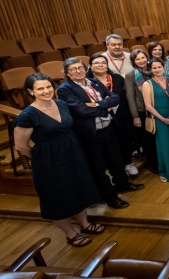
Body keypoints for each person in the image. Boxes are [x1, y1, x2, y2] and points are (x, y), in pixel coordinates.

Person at [15, 73, 103, 248]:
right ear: (30, 92)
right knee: (57, 197)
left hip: (73, 153)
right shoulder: (27, 115)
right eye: (40, 88)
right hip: (48, 161)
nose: (46, 91)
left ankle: (84, 224)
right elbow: (21, 145)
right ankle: (70, 233)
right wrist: (42, 159)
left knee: (80, 188)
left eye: (48, 87)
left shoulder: (61, 104)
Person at [57, 58, 141, 209]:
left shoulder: (93, 82)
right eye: (73, 69)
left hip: (108, 128)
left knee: (116, 160)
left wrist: (97, 104)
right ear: (67, 73)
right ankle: (110, 197)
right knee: (98, 167)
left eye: (80, 68)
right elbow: (81, 110)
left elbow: (115, 97)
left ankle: (122, 184)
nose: (78, 71)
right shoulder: (65, 89)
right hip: (90, 133)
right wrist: (105, 106)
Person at [143, 58, 169, 183]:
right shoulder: (148, 84)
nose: (157, 70)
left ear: (164, 68)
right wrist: (162, 119)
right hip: (160, 117)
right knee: (165, 145)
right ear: (150, 70)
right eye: (154, 68)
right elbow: (148, 106)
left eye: (159, 67)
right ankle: (165, 171)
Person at [123, 50, 156, 173]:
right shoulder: (131, 75)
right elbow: (130, 98)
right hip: (142, 112)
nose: (141, 61)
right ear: (133, 62)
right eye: (137, 59)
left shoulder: (154, 70)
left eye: (143, 58)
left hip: (157, 109)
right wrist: (135, 116)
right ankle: (152, 163)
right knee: (147, 140)